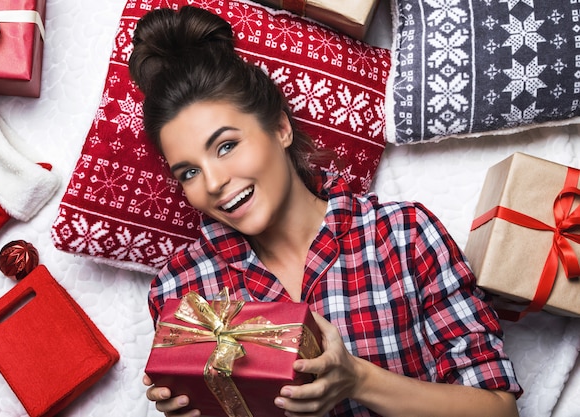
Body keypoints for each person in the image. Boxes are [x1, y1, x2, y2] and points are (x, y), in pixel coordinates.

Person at [128, 6, 522, 417]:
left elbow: (498, 410)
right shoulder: (183, 291)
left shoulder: (402, 235)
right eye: (189, 172)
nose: (212, 183)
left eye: (226, 146)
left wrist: (358, 380)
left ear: (280, 128)